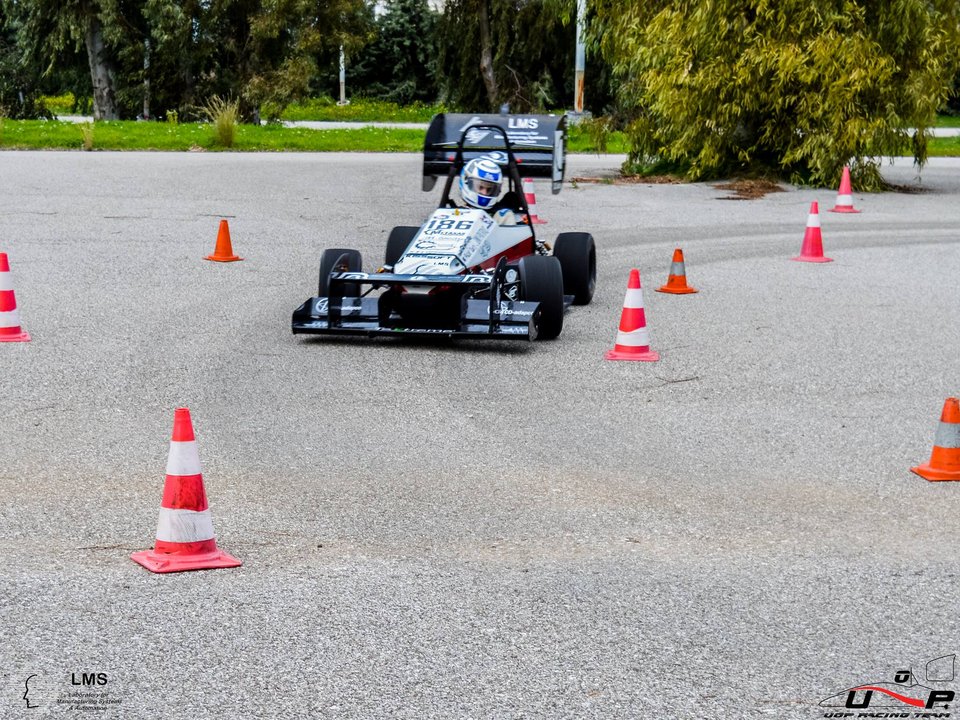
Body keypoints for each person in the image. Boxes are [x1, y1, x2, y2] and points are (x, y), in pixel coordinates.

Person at [458, 157, 516, 225]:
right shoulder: (453, 213)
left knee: (506, 214)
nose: (484, 193)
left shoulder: (501, 216)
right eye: (480, 187)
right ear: (466, 181)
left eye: (489, 189)